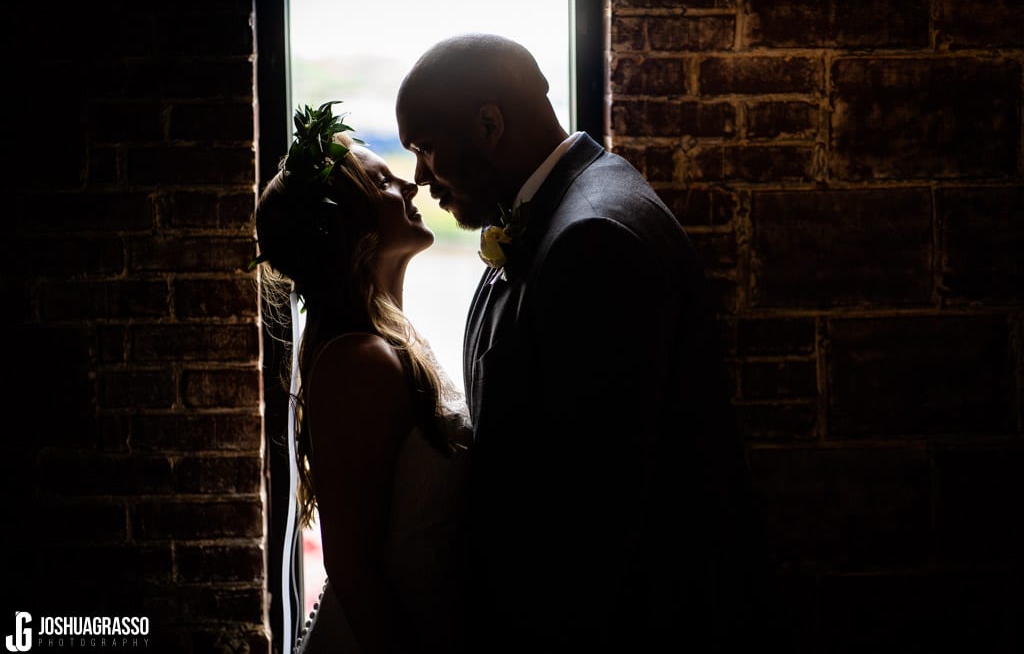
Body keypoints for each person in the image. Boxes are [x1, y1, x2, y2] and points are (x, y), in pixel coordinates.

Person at [396, 34, 785, 651]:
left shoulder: (593, 240)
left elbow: (593, 516)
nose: (419, 175)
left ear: (490, 123)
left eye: (426, 147)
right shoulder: (570, 208)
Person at [252, 101, 473, 654]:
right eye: (382, 181)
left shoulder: (388, 340)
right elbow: (352, 570)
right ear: (350, 225)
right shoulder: (361, 362)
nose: (411, 184)